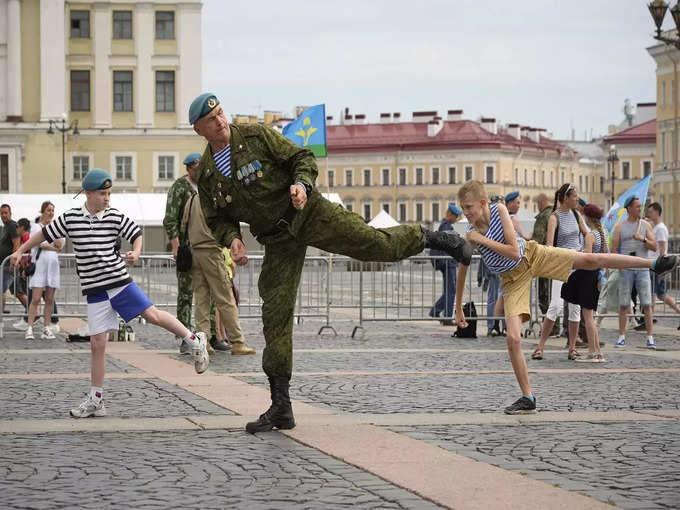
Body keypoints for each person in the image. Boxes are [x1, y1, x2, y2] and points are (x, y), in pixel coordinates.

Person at [189, 92, 472, 433]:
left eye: (220, 113)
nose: (220, 121)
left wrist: (300, 183)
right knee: (274, 313)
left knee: (371, 244)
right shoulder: (206, 175)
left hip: (308, 212)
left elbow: (301, 157)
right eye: (211, 120)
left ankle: (432, 238)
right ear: (199, 130)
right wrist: (232, 239)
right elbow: (217, 217)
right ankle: (281, 405)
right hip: (277, 237)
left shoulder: (255, 136)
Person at [454, 180, 675, 414]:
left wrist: (482, 240)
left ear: (481, 202)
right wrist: (458, 307)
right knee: (513, 339)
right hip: (511, 280)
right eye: (463, 208)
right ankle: (528, 398)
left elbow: (513, 250)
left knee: (591, 260)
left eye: (469, 207)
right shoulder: (470, 234)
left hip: (532, 255)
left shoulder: (499, 211)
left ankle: (653, 264)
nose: (466, 213)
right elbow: (462, 269)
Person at [10, 169, 211, 418]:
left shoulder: (115, 216)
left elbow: (136, 234)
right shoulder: (71, 217)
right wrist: (21, 251)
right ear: (89, 193)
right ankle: (96, 399)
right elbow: (44, 233)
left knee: (152, 315)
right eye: (103, 193)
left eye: (109, 193)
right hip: (95, 291)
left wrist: (136, 253)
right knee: (97, 345)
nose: (107, 198)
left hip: (118, 282)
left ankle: (194, 340)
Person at [181, 168, 255, 355]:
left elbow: (183, 224)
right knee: (226, 298)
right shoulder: (214, 199)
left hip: (195, 252)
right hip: (212, 252)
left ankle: (203, 342)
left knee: (201, 301)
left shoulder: (191, 200)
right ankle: (238, 342)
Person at [163, 152, 219, 354]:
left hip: (206, 246)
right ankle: (186, 336)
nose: (200, 171)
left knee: (210, 292)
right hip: (187, 247)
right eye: (196, 168)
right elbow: (170, 219)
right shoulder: (180, 187)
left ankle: (211, 336)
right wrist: (177, 247)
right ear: (189, 169)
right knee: (186, 294)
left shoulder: (208, 186)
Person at [532, 183, 588, 361]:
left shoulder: (576, 214)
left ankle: (572, 348)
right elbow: (549, 245)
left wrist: (587, 249)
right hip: (562, 263)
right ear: (565, 198)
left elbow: (587, 233)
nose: (577, 199)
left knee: (575, 308)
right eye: (574, 196)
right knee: (555, 307)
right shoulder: (554, 217)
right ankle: (540, 347)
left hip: (577, 264)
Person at [561, 204, 608, 362]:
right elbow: (604, 256)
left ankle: (594, 352)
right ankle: (596, 351)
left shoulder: (590, 235)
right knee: (590, 316)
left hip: (587, 276)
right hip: (595, 275)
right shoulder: (602, 235)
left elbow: (587, 257)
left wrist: (577, 254)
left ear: (587, 217)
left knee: (587, 317)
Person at [612, 196, 657, 349]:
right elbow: (614, 250)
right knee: (624, 304)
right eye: (637, 206)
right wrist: (619, 266)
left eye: (640, 206)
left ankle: (650, 337)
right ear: (629, 208)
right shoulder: (620, 227)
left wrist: (642, 238)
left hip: (643, 268)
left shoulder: (645, 225)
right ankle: (621, 336)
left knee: (647, 304)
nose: (640, 209)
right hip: (626, 269)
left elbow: (654, 246)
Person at [24, 201, 62, 340]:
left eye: (52, 210)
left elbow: (59, 244)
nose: (51, 212)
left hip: (52, 266)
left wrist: (50, 245)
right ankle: (29, 328)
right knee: (35, 299)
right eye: (48, 210)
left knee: (50, 299)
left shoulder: (56, 227)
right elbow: (39, 243)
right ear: (43, 211)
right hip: (40, 265)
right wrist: (51, 246)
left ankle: (46, 327)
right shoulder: (36, 227)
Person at [646, 202, 680, 326]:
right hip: (653, 265)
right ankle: (650, 318)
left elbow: (662, 249)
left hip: (656, 266)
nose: (648, 214)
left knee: (656, 294)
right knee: (658, 294)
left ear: (656, 212)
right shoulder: (654, 227)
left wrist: (660, 268)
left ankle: (649, 318)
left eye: (650, 212)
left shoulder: (660, 228)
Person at [429, 203, 462, 325]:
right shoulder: (447, 227)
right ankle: (447, 317)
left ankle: (436, 310)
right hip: (449, 262)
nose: (457, 219)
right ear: (450, 215)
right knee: (451, 290)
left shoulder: (444, 226)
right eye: (456, 216)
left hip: (447, 262)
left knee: (449, 290)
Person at [532, 193, 554, 317]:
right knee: (555, 295)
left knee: (544, 294)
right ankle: (554, 327)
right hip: (557, 258)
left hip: (544, 259)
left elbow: (537, 239)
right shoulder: (556, 213)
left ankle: (549, 326)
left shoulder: (543, 216)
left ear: (541, 203)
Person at [0, 204, 21, 314]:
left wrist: (13, 261)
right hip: (5, 265)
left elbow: (16, 243)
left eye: (5, 213)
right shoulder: (6, 227)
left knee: (1, 289)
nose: (3, 215)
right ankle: (32, 313)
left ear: (10, 213)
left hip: (9, 265)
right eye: (1, 213)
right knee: (18, 292)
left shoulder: (12, 225)